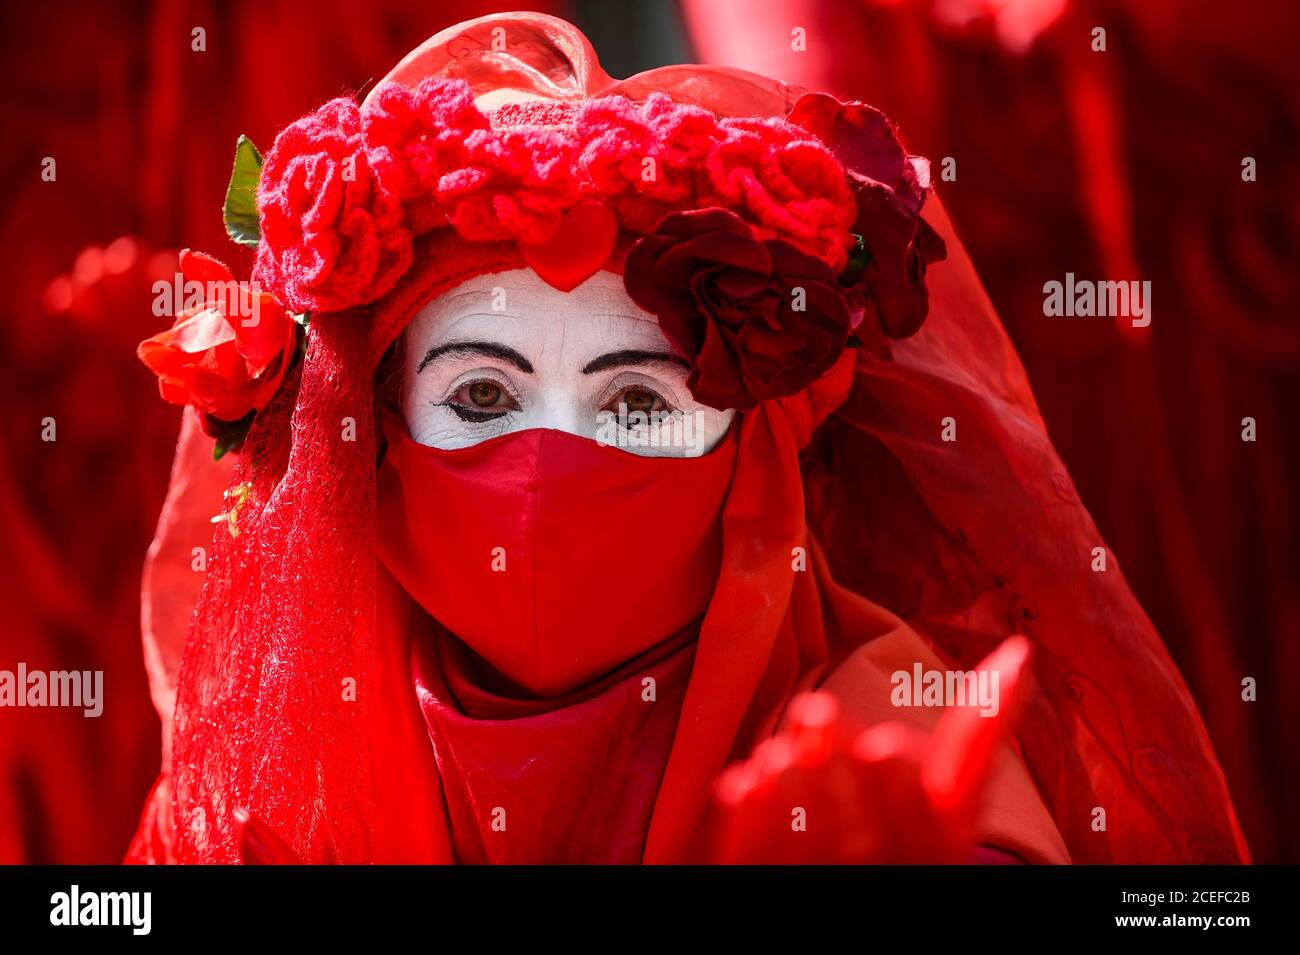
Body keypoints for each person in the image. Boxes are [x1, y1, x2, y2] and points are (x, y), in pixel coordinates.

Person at [129, 12, 1247, 865]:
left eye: (637, 407)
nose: (548, 466)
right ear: (368, 436)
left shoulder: (889, 749)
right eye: (479, 399)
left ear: (748, 457)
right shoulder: (273, 770)